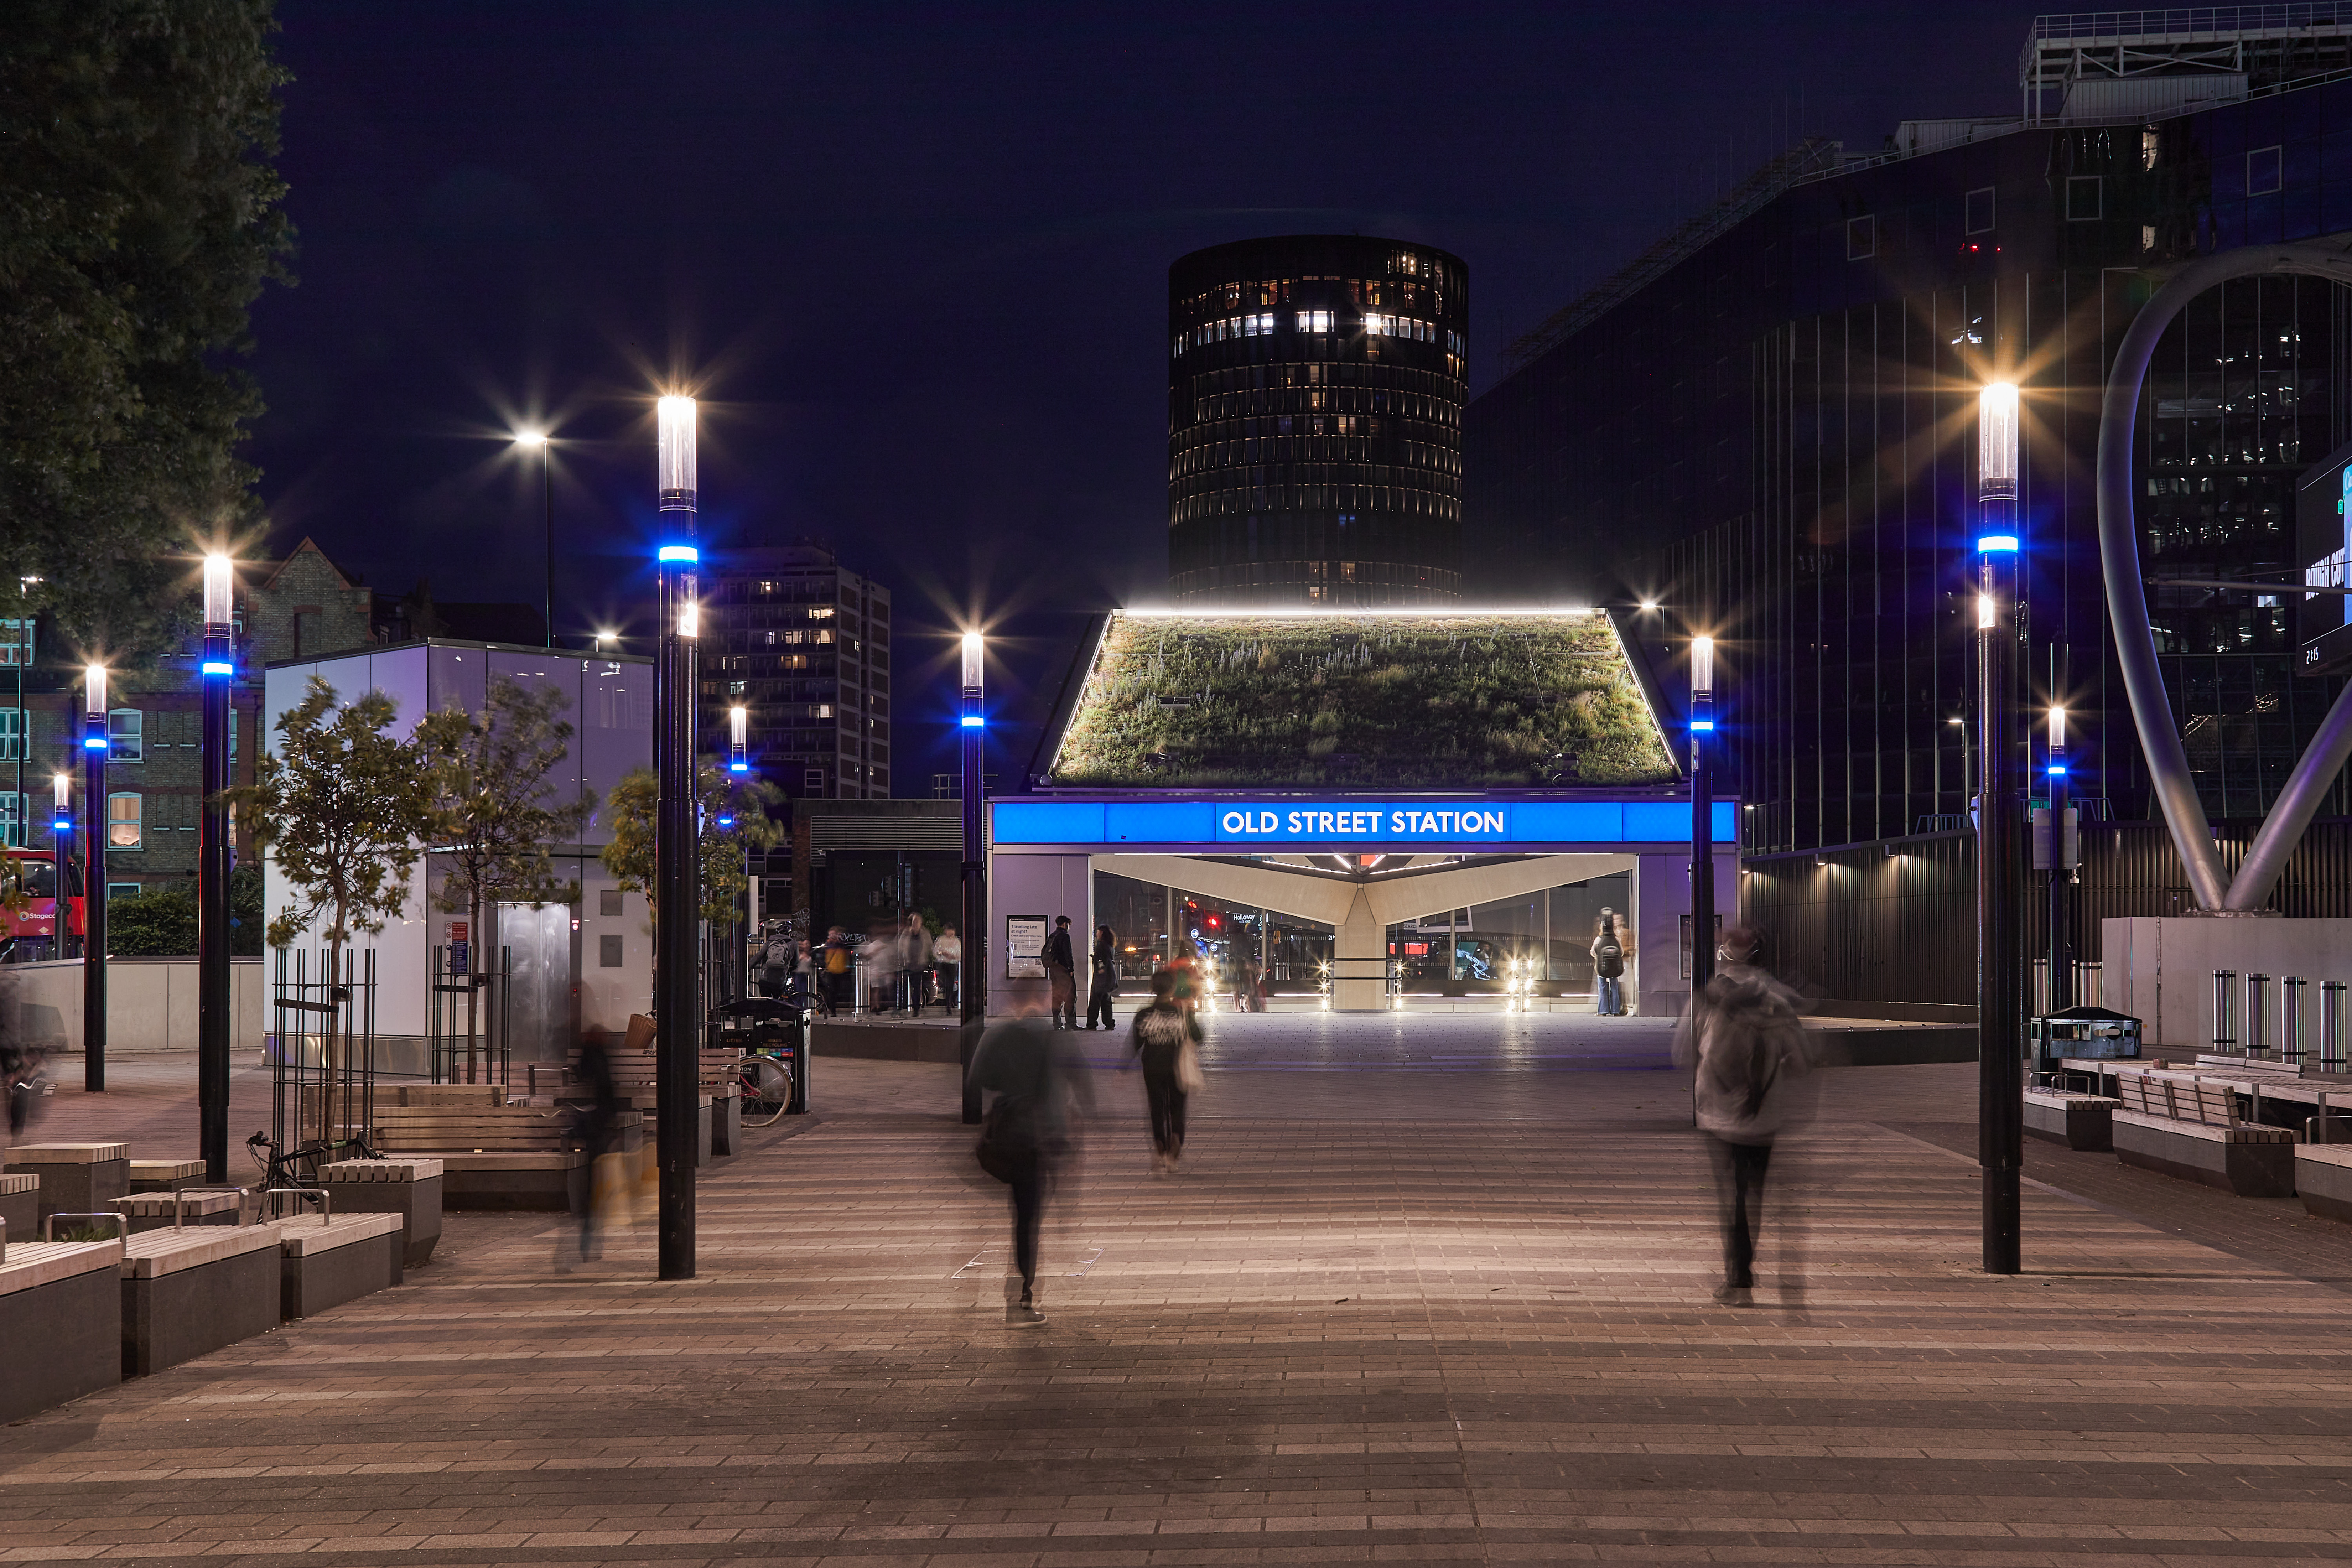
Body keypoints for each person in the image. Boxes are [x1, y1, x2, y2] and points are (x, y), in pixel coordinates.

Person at [1672, 925, 1810, 1306]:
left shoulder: (1707, 999)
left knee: (1732, 1195)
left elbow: (1682, 1052)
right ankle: (1743, 1270)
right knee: (1753, 1195)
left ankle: (1738, 1279)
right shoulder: (1778, 1001)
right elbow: (1802, 1062)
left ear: (1724, 953)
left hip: (1719, 1115)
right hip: (1764, 1116)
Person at [967, 1005, 1095, 1326]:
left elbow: (978, 1078)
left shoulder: (1000, 1034)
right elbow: (1080, 1080)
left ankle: (1022, 1294)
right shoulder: (1054, 1037)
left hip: (1012, 1135)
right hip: (1039, 1138)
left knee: (1024, 1217)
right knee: (1028, 1219)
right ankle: (1021, 1298)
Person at [561, 1028, 626, 1269]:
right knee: (595, 1195)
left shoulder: (589, 1060)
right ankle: (585, 1246)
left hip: (590, 1133)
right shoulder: (599, 1060)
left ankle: (586, 1245)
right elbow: (607, 1099)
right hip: (596, 1133)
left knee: (593, 1195)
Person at [1130, 968, 1202, 1172]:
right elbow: (1198, 1037)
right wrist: (1190, 1016)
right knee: (1177, 1109)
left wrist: (1122, 1070)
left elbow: (1136, 1044)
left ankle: (1160, 1147)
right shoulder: (1181, 1013)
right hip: (1176, 1069)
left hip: (1152, 1069)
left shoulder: (1144, 1015)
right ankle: (1175, 1143)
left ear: (1152, 988)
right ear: (1172, 989)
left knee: (1157, 1109)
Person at [1592, 909, 1630, 1016]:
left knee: (1602, 988)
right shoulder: (1616, 939)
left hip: (1602, 968)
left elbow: (1593, 952)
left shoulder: (1599, 940)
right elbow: (1621, 952)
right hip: (1614, 969)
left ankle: (1603, 1011)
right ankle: (1615, 1011)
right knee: (1615, 988)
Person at [1045, 915, 1078, 1029]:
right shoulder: (1064, 936)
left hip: (1054, 971)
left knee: (1057, 996)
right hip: (1063, 971)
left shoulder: (1052, 936)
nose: (1068, 927)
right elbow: (1068, 954)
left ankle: (1057, 1023)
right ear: (1065, 924)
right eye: (1068, 925)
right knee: (1070, 996)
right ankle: (1071, 1024)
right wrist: (1071, 969)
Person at [1085, 924, 1118, 1030]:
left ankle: (1092, 1024)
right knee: (1106, 1001)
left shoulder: (1101, 946)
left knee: (1095, 1002)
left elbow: (1101, 960)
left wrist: (1097, 963)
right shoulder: (1111, 946)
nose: (1097, 934)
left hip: (1101, 978)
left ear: (1102, 933)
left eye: (1098, 932)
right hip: (1109, 977)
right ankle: (1109, 1023)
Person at [900, 911, 933, 1013]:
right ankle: (907, 1005)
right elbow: (900, 945)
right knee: (908, 986)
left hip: (919, 964)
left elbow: (930, 946)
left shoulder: (925, 934)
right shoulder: (907, 933)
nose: (916, 923)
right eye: (914, 921)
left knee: (917, 987)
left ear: (921, 923)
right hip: (909, 963)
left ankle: (916, 1008)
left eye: (918, 921)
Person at [935, 924, 963, 1012]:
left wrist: (953, 956)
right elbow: (936, 952)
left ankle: (949, 1003)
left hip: (952, 965)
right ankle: (948, 1001)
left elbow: (960, 955)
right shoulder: (941, 940)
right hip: (943, 964)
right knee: (945, 982)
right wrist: (942, 954)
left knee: (950, 984)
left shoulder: (956, 942)